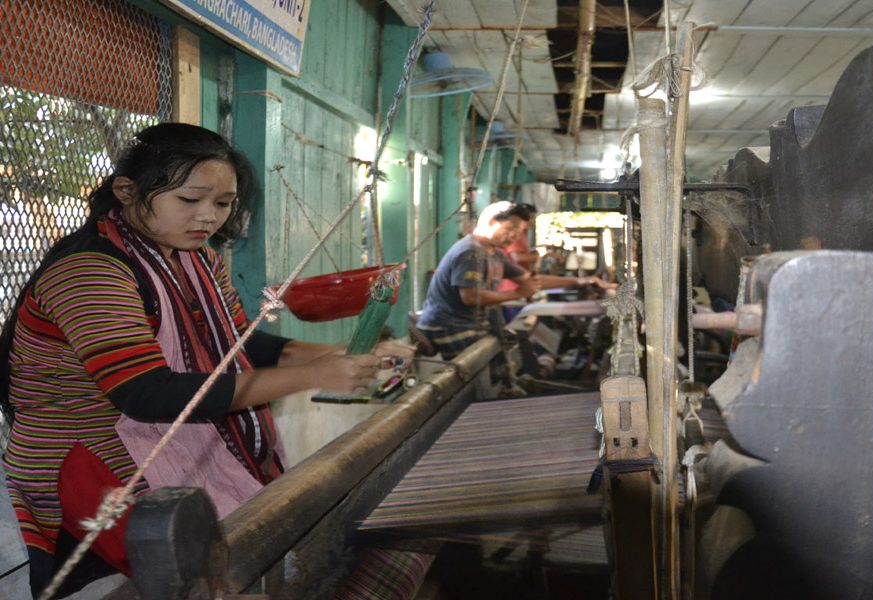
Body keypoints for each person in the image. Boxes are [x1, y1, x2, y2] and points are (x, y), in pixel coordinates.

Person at [0, 123, 401, 595]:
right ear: (127, 191)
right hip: (91, 464)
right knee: (126, 586)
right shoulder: (90, 271)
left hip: (165, 446)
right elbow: (148, 393)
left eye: (223, 203)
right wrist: (313, 375)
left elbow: (233, 343)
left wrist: (334, 354)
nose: (207, 217)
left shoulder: (196, 260)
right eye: (189, 200)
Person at [417, 201, 613, 359]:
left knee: (510, 352)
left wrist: (583, 281)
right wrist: (517, 294)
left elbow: (532, 279)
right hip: (447, 325)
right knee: (493, 369)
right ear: (492, 222)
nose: (514, 236)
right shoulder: (471, 252)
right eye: (511, 228)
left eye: (519, 232)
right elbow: (470, 297)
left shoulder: (494, 253)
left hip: (468, 324)